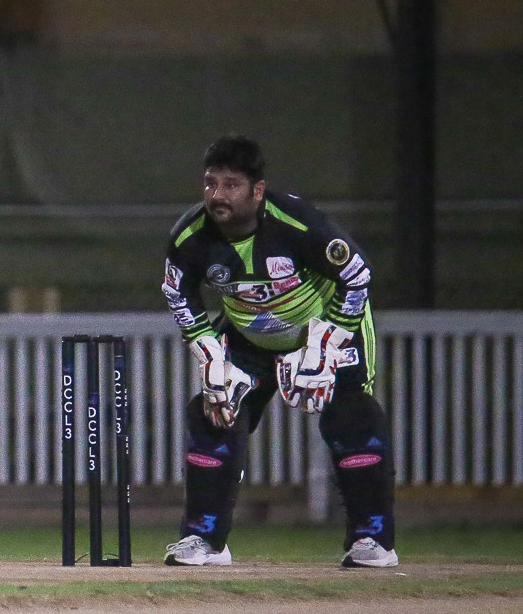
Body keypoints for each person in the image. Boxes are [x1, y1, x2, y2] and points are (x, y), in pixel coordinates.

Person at [160, 135, 397, 568]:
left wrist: (326, 344)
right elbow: (180, 295)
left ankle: (373, 540)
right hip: (248, 337)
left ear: (258, 191)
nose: (217, 195)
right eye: (211, 183)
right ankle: (205, 540)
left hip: (323, 329)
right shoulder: (189, 237)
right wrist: (209, 353)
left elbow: (357, 277)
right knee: (214, 413)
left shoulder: (299, 224)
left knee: (352, 417)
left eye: (231, 185)